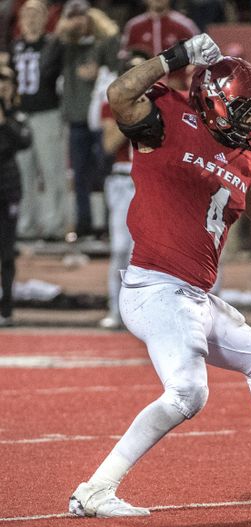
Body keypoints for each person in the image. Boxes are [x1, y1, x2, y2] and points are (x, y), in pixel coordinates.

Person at [68, 34, 251, 518]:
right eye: (242, 110)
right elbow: (119, 94)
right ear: (213, 102)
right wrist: (175, 57)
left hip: (195, 296)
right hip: (155, 286)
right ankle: (96, 489)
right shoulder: (166, 120)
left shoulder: (246, 150)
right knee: (188, 393)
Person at [55, 0, 119, 237]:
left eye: (82, 16)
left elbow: (117, 69)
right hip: (76, 118)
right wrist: (63, 31)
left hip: (102, 118)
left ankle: (108, 224)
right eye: (72, 17)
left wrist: (99, 69)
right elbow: (48, 63)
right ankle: (84, 225)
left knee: (104, 172)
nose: (78, 22)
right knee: (80, 175)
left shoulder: (106, 41)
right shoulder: (66, 46)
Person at [97, 50, 147, 330]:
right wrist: (133, 114)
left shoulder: (162, 102)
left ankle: (139, 314)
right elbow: (108, 144)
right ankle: (115, 309)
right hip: (122, 180)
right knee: (119, 249)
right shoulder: (113, 105)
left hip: (150, 182)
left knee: (142, 253)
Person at [11, 0, 67, 241]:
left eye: (36, 14)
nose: (31, 19)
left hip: (48, 113)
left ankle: (54, 226)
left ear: (46, 18)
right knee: (21, 172)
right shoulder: (13, 47)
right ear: (20, 20)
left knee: (52, 170)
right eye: (27, 14)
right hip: (20, 116)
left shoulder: (54, 45)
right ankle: (25, 226)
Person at [0, 65, 33, 327]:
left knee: (7, 250)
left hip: (8, 186)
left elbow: (24, 142)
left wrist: (4, 122)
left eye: (6, 81)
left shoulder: (16, 115)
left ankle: (6, 307)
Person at [120, 0, 200, 58]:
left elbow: (199, 55)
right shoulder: (133, 26)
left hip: (176, 80)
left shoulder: (185, 25)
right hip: (145, 80)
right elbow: (124, 56)